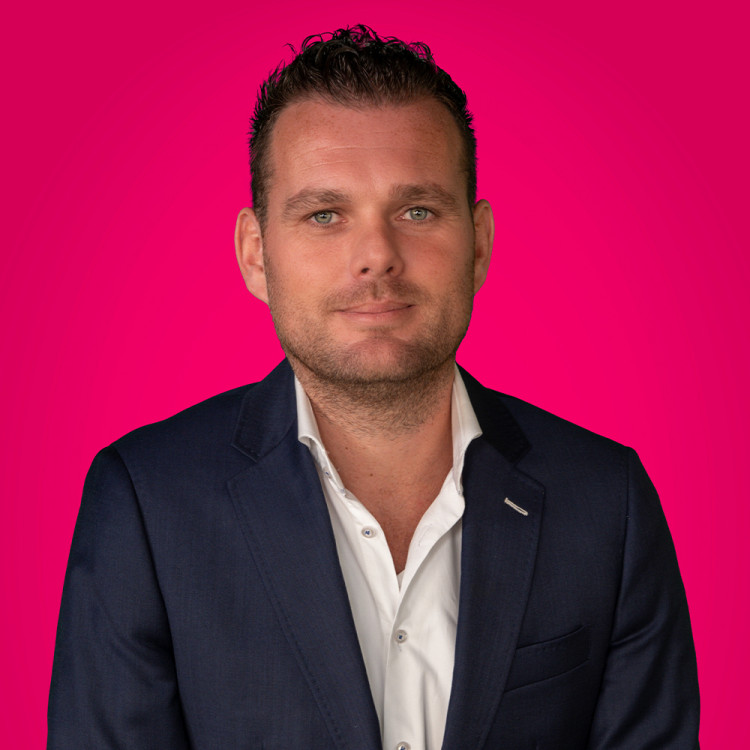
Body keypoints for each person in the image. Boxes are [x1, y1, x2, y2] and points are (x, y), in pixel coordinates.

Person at [48, 25, 700, 750]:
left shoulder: (608, 502)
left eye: (417, 211)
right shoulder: (145, 503)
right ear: (256, 255)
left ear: (479, 244)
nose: (377, 257)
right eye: (325, 214)